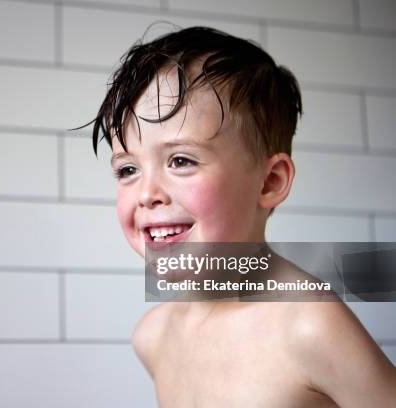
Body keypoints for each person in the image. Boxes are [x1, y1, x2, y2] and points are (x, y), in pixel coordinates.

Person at [72, 26, 396, 406]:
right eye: (127, 170)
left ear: (269, 182)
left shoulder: (310, 326)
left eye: (180, 160)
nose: (146, 194)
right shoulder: (153, 337)